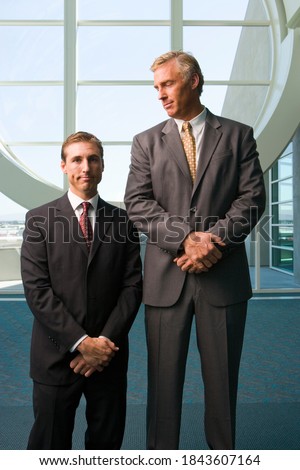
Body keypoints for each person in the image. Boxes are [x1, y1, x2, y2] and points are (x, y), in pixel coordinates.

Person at [124, 51, 266, 450]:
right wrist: (187, 239)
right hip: (167, 280)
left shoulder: (238, 135)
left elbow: (253, 198)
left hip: (223, 279)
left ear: (194, 81)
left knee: (222, 384)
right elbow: (137, 203)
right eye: (156, 88)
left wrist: (213, 242)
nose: (160, 95)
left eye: (167, 84)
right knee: (163, 385)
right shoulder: (146, 142)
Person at [21, 131, 142, 450]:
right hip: (55, 356)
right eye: (77, 159)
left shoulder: (123, 222)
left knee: (106, 445)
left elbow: (132, 287)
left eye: (93, 159)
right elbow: (37, 290)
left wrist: (102, 345)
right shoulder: (38, 220)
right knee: (48, 447)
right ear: (63, 166)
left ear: (103, 166)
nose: (85, 166)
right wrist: (80, 343)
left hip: (108, 355)